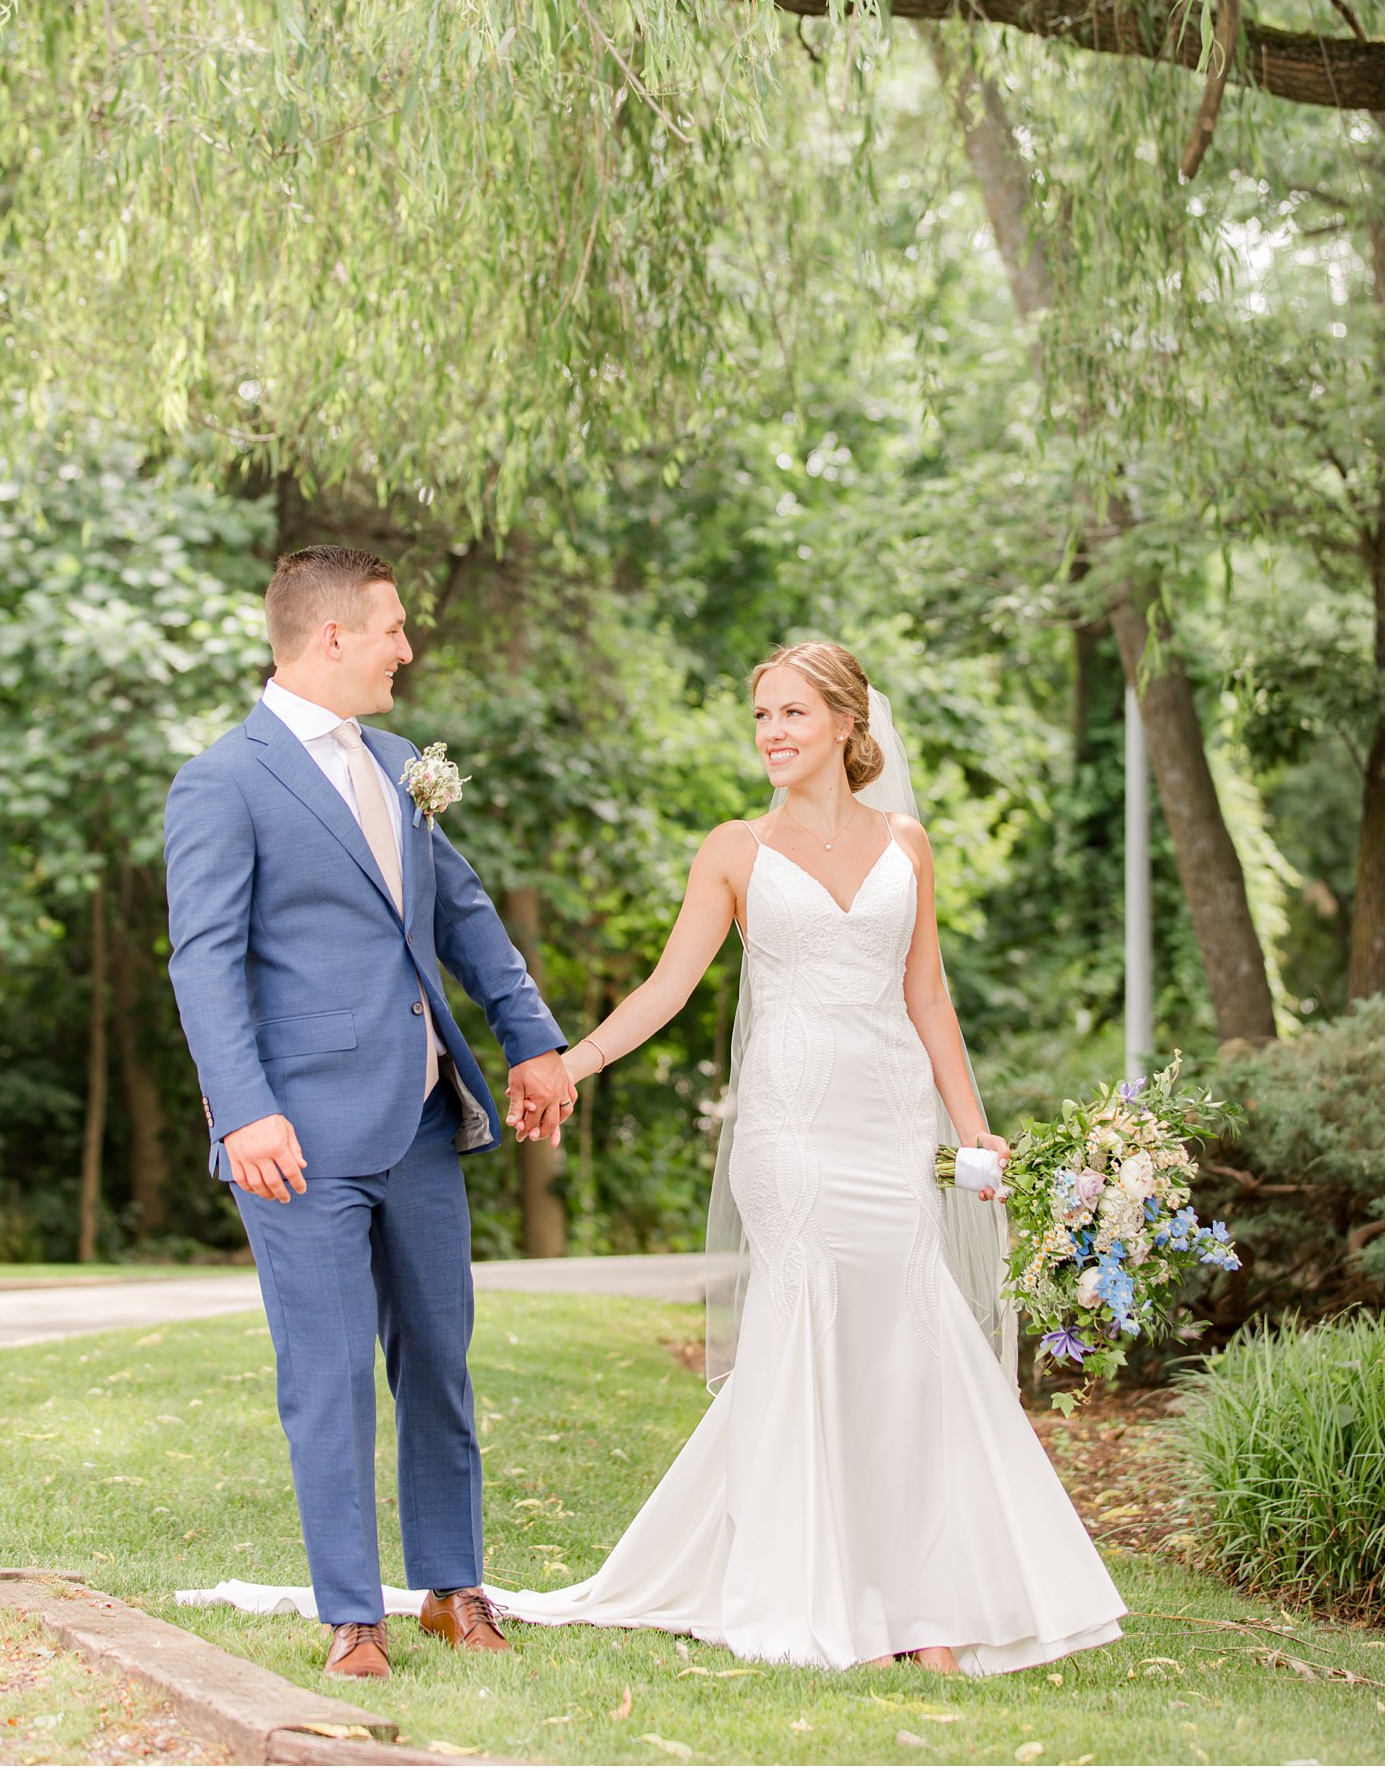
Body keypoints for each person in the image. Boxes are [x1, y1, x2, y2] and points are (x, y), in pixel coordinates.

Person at [464, 641, 1127, 1673]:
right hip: (789, 1133)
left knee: (903, 1356)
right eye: (761, 716)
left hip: (892, 1128)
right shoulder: (733, 849)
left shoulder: (906, 843)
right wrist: (569, 1064)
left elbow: (928, 998)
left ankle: (923, 1611)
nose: (773, 733)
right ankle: (822, 1597)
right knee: (812, 1334)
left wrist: (971, 1128)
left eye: (792, 715)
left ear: (847, 726)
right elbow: (666, 987)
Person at [164, 545, 575, 1681]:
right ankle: (354, 1615)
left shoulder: (399, 765)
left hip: (422, 1122)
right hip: (293, 1139)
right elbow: (203, 963)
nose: (407, 648)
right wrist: (242, 1112)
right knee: (331, 1373)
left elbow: (464, 915)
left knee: (440, 1361)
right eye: (391, 627)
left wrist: (532, 1038)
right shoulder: (222, 780)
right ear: (330, 636)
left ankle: (454, 1589)